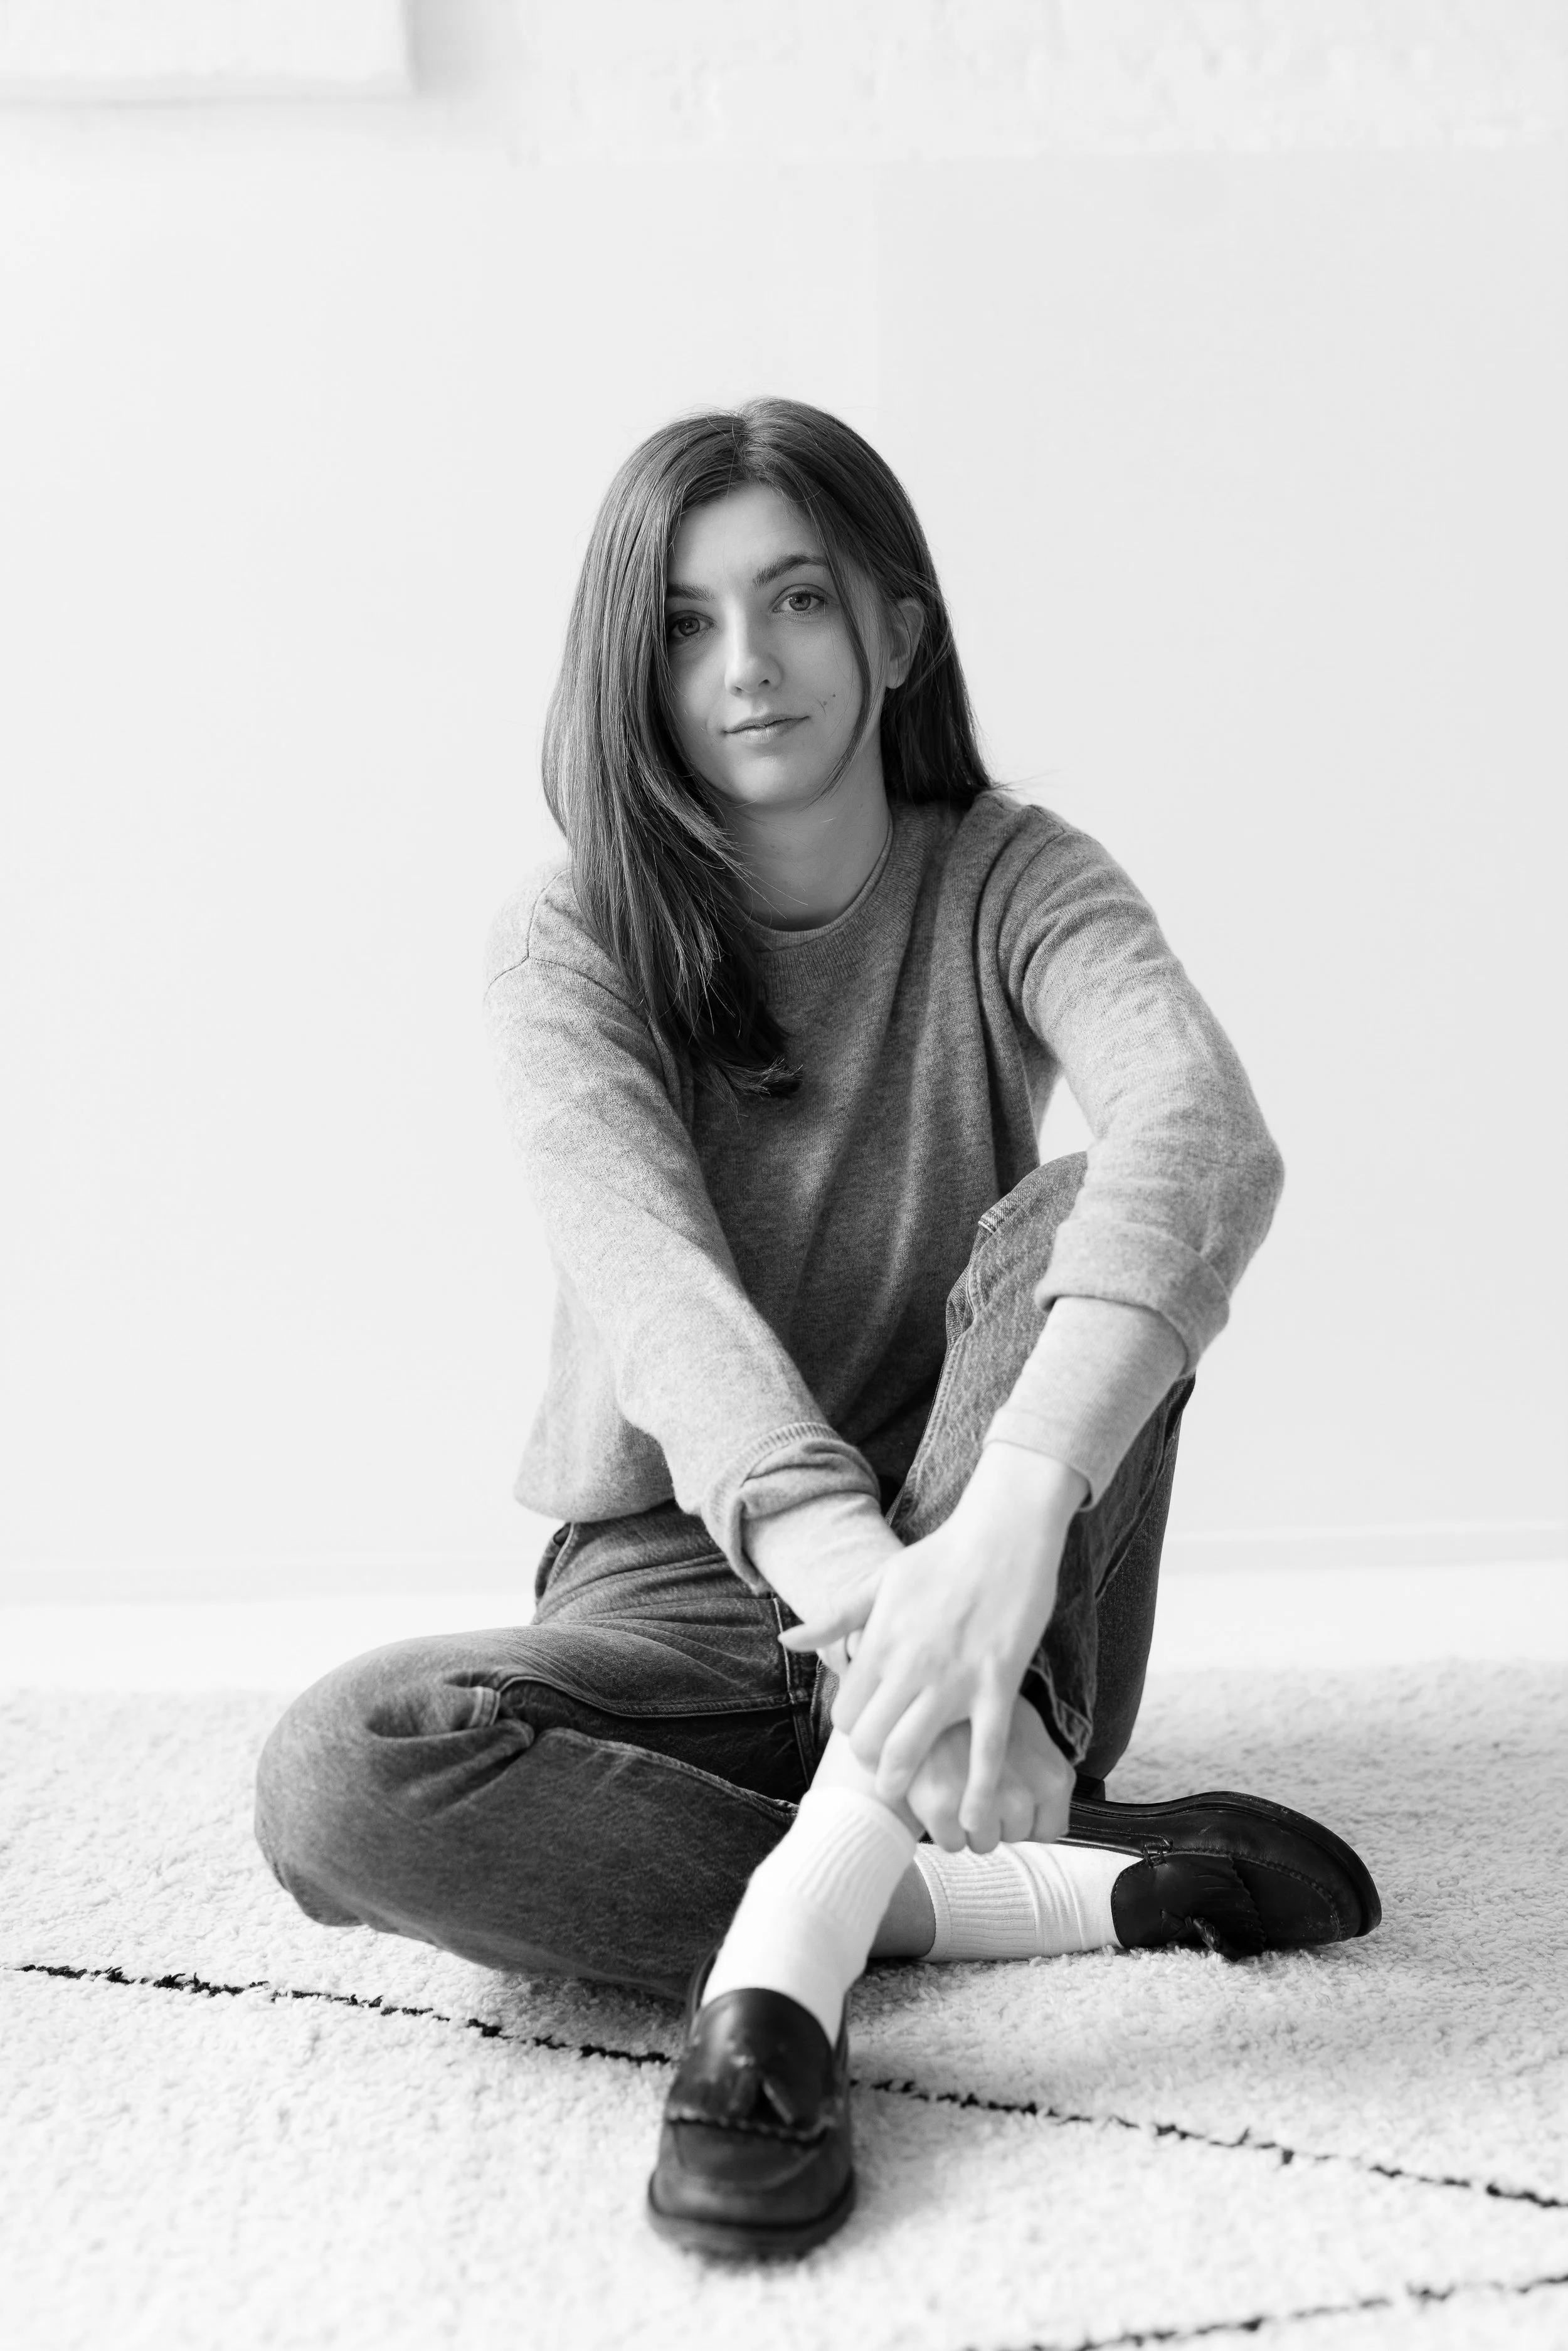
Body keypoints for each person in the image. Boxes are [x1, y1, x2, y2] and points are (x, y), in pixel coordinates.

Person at [253, 397, 1380, 2263]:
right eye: (686, 623)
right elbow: (652, 1289)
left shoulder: (1017, 875)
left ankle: (785, 1955)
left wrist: (996, 1540)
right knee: (340, 1772)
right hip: (685, 1597)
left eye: (794, 599)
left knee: (1086, 1210)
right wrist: (865, 1599)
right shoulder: (571, 939)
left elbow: (1201, 1133)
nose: (746, 665)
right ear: (631, 667)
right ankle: (995, 1888)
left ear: (897, 629)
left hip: (996, 1597)